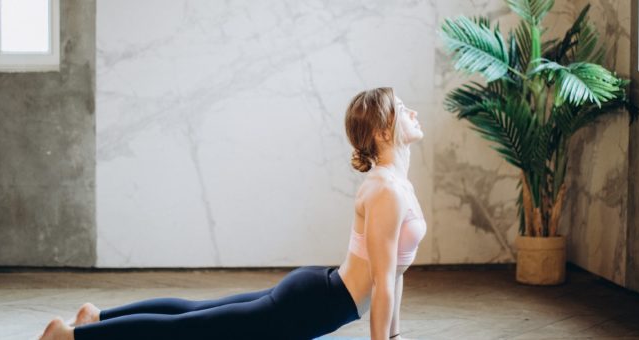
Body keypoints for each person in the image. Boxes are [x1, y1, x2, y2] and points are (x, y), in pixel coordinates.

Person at [38, 87, 426, 340]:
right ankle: (71, 336)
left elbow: (395, 272)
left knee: (199, 313)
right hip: (318, 302)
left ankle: (96, 317)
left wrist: (394, 336)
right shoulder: (386, 191)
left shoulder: (396, 184)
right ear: (383, 131)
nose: (414, 113)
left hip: (320, 291)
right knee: (196, 327)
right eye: (404, 110)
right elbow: (383, 283)